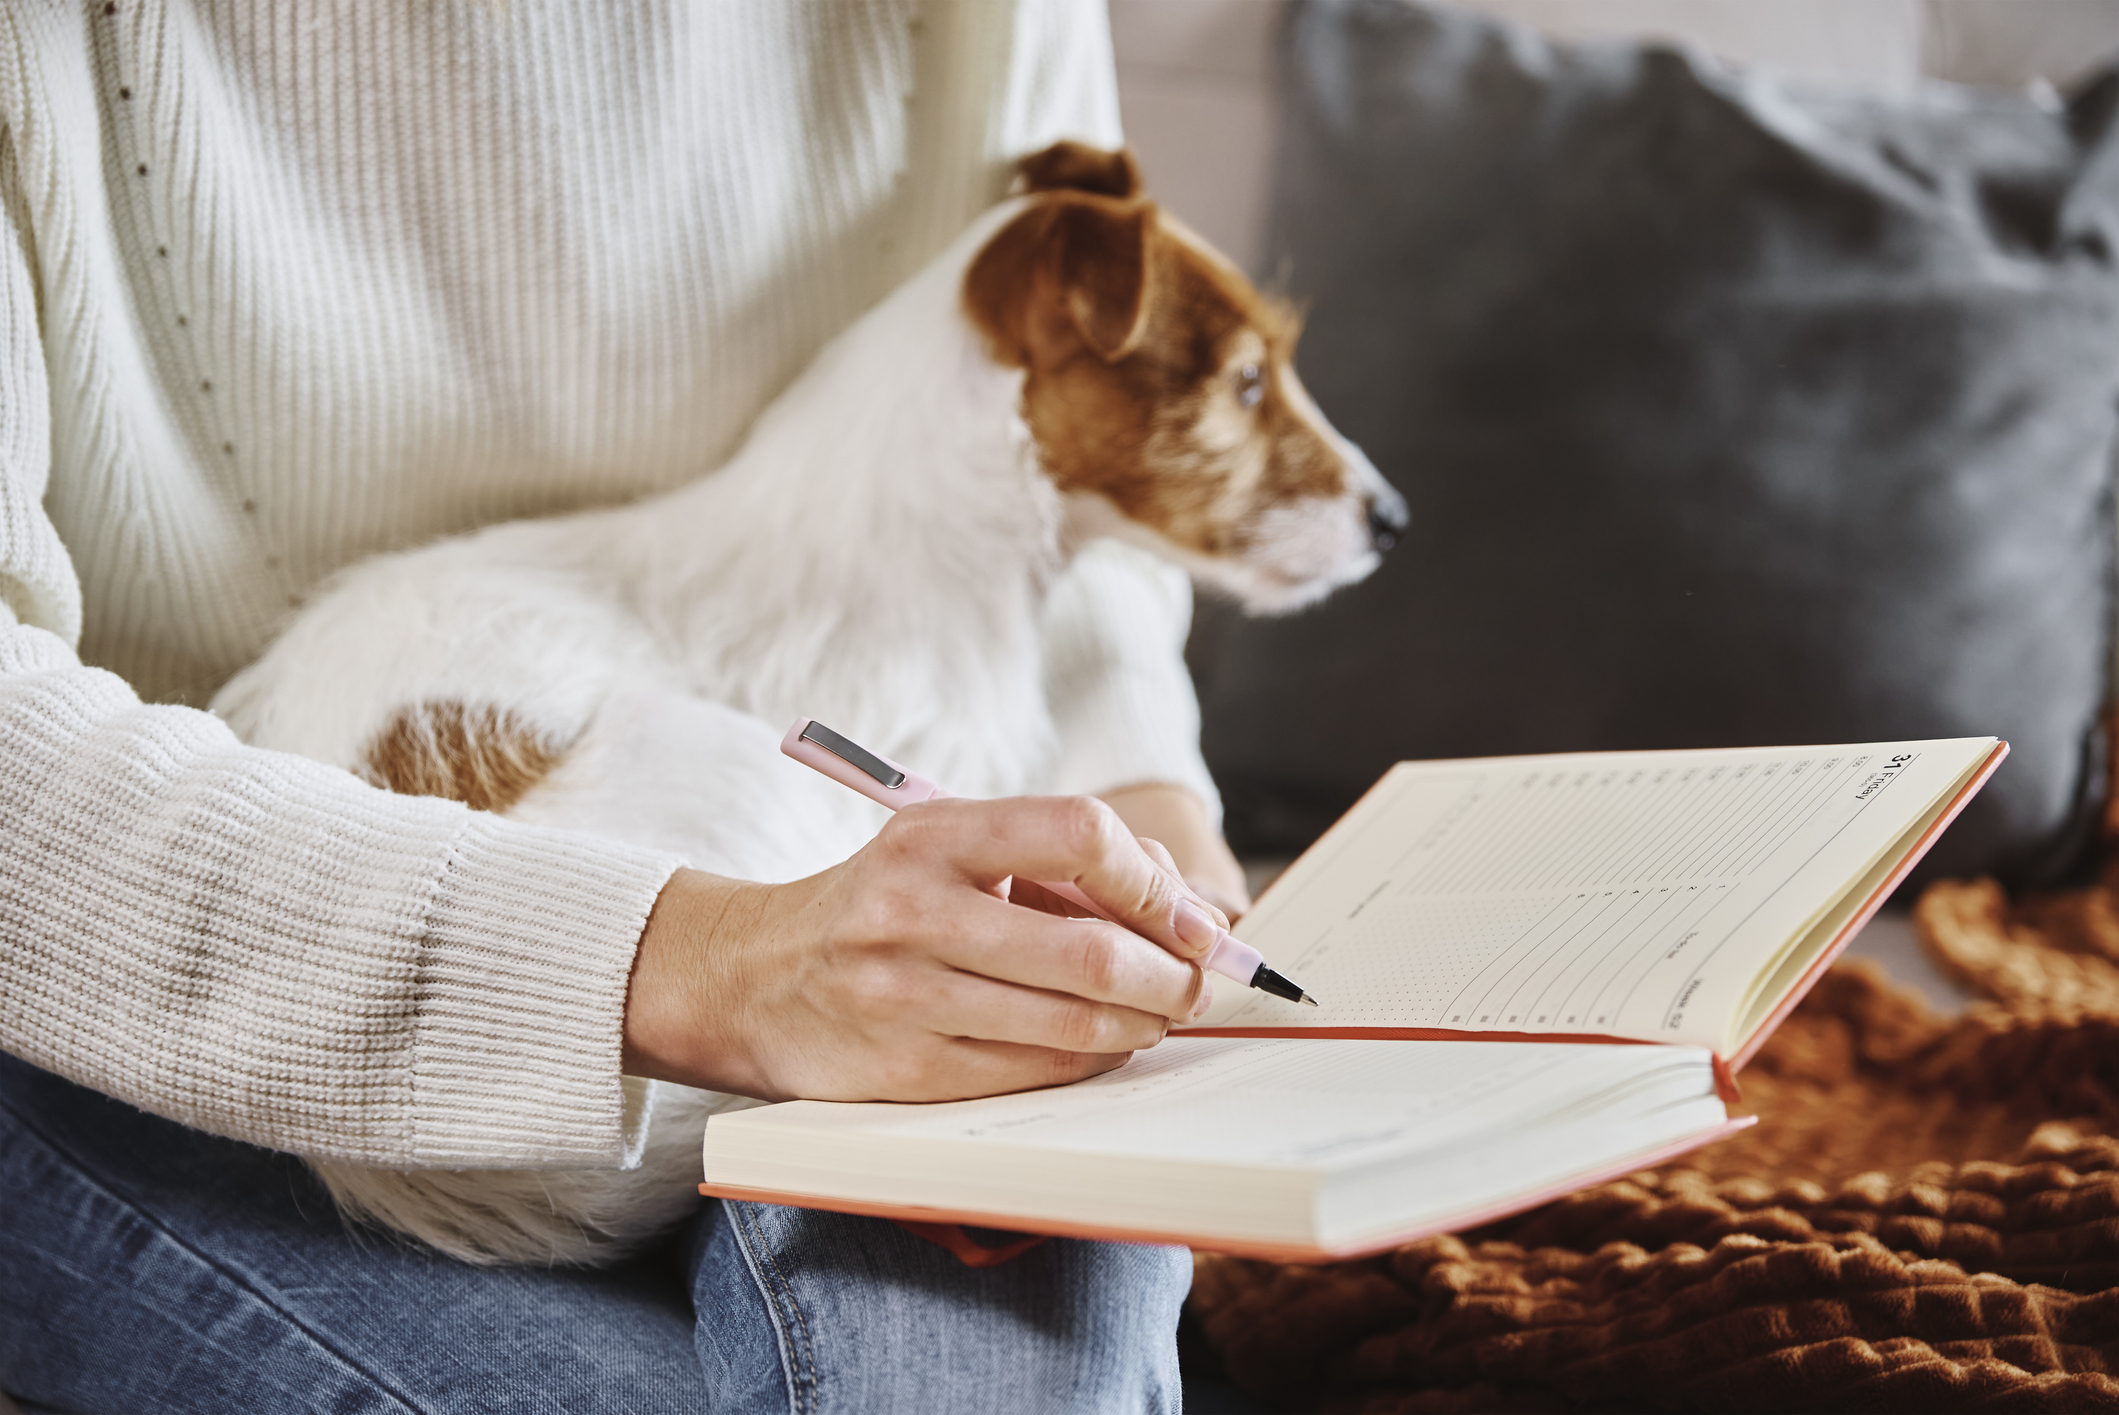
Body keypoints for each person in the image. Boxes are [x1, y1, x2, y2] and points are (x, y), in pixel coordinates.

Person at [0, 3, 1251, 1410]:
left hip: (797, 902)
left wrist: (1142, 799)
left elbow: (1040, 450)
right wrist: (716, 968)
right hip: (164, 980)